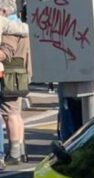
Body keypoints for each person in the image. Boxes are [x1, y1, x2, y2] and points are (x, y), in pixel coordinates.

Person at [0, 0, 30, 165]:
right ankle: (21, 151)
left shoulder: (9, 30)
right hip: (19, 73)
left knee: (9, 114)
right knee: (16, 114)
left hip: (10, 74)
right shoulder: (19, 26)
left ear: (4, 11)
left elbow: (5, 53)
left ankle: (14, 153)